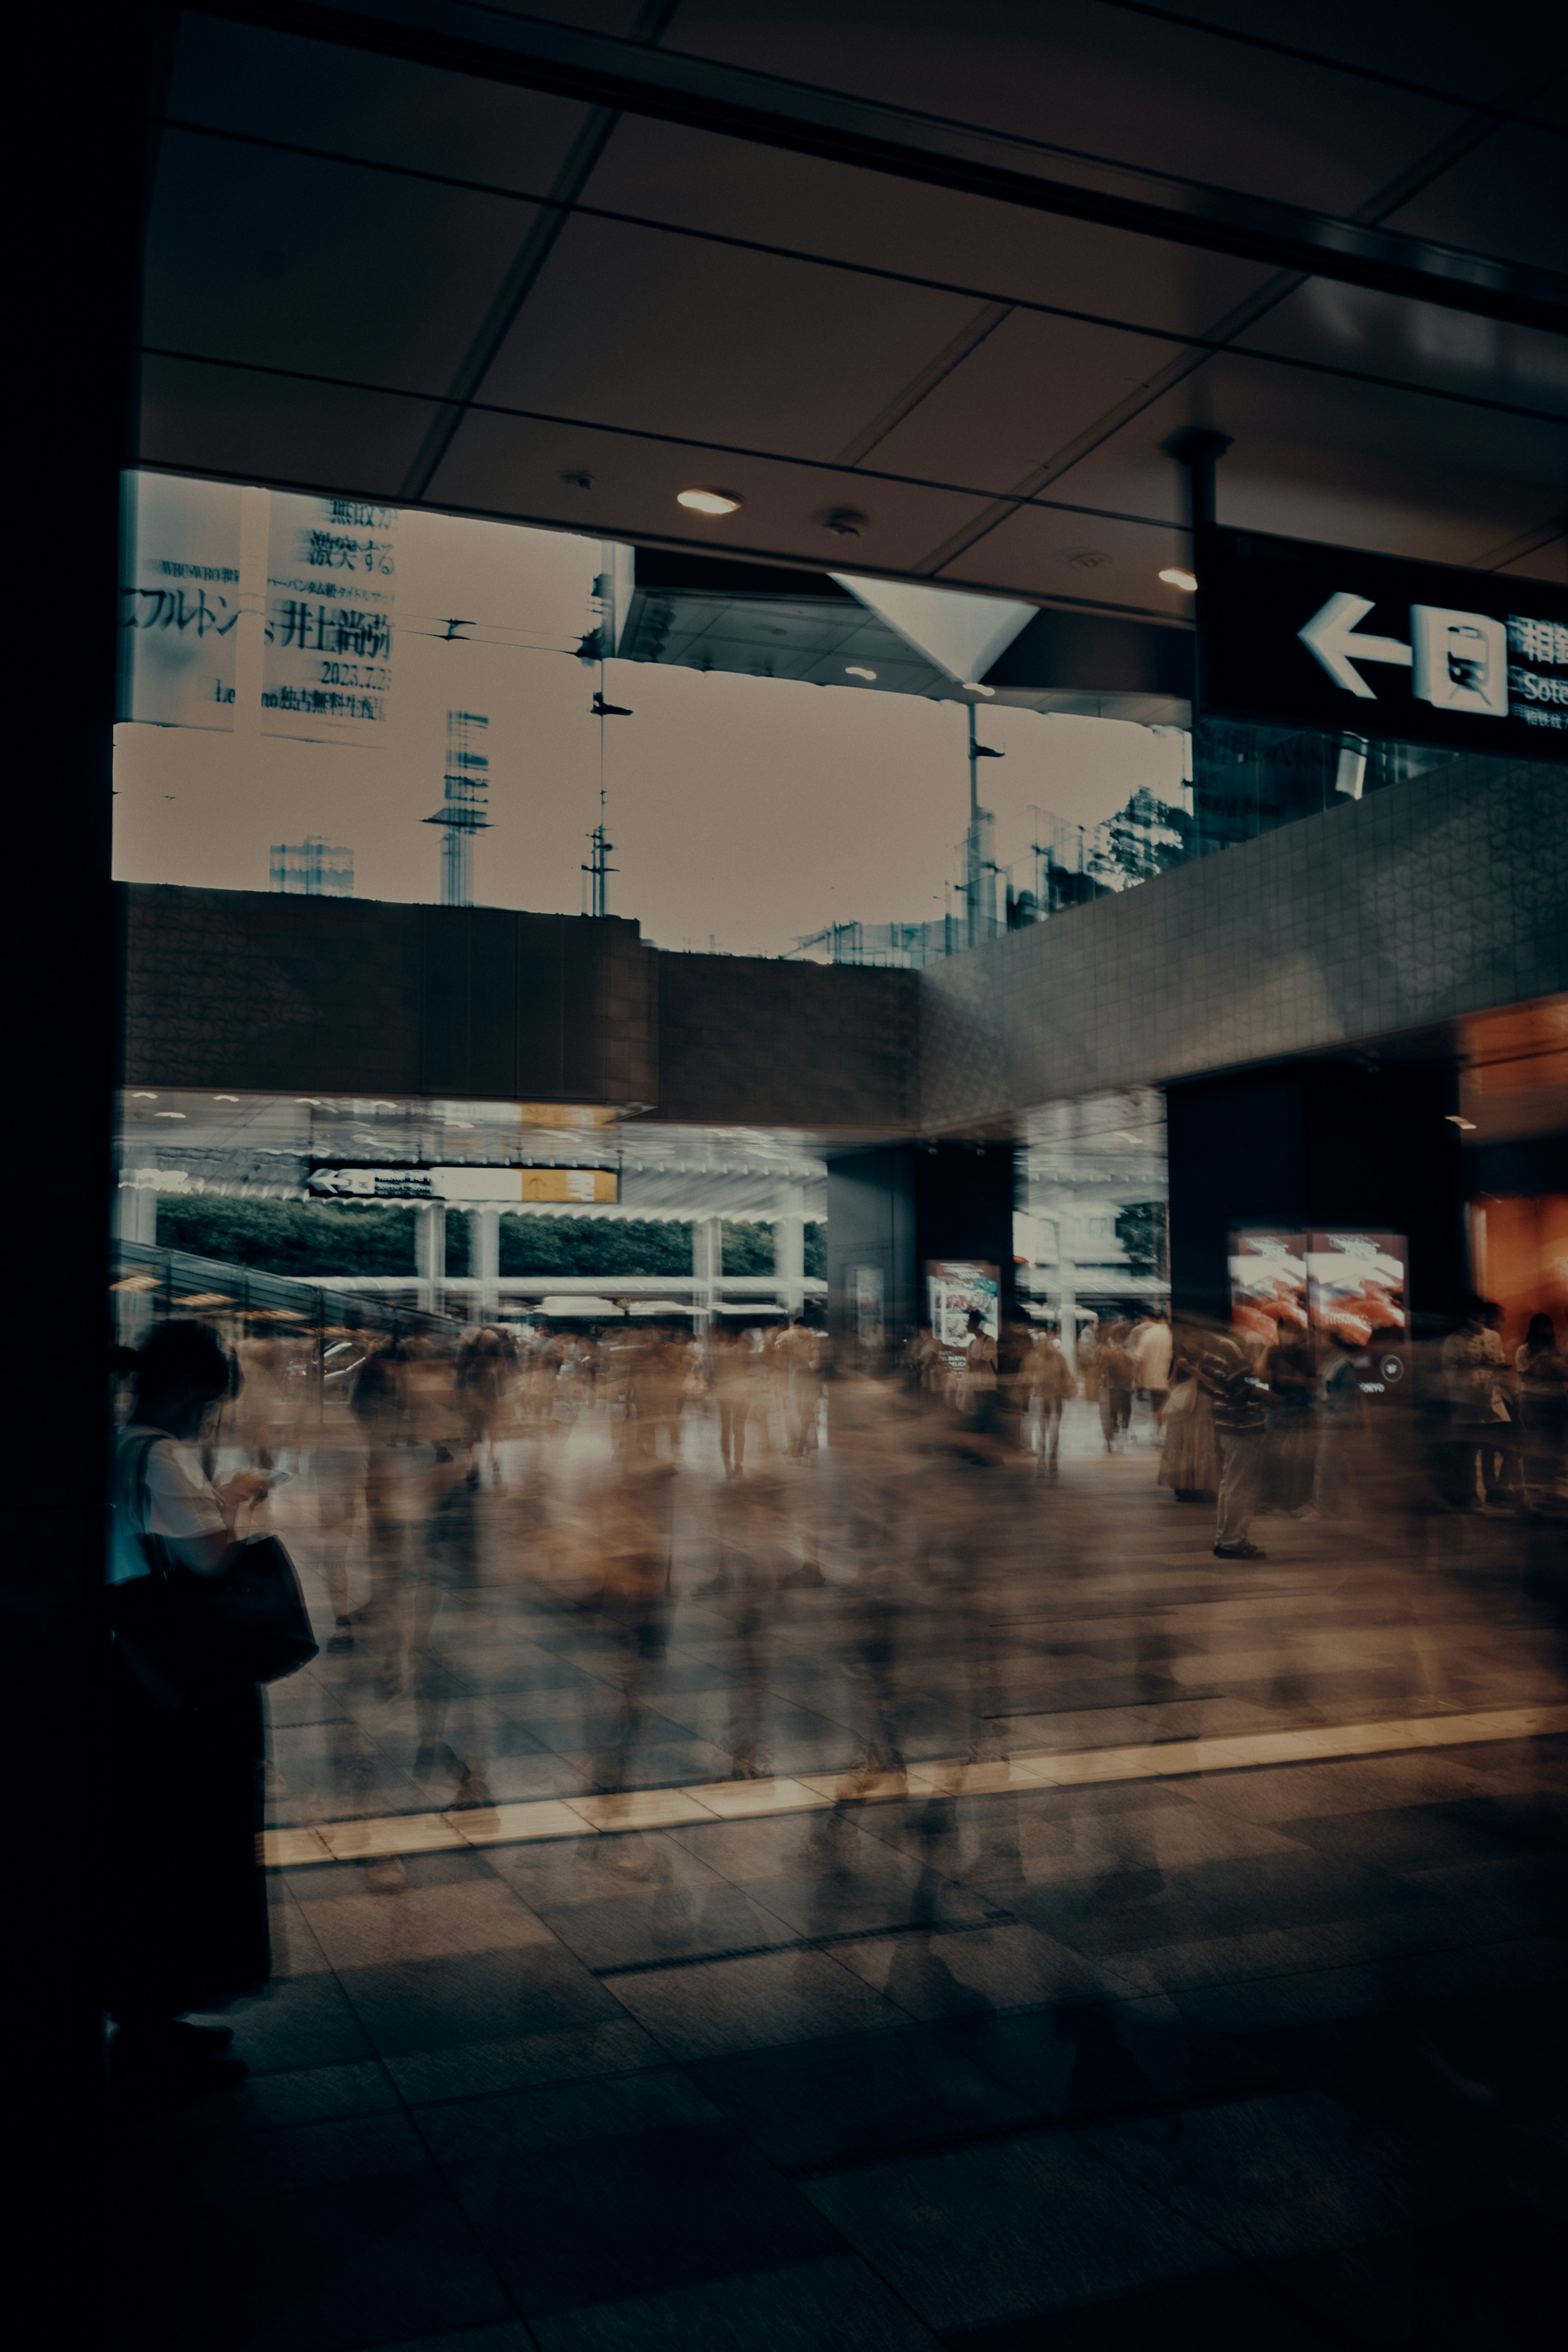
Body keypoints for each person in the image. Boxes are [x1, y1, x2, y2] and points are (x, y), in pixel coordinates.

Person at [107, 1322, 273, 2095]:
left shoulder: (115, 1446)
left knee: (149, 1846)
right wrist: (238, 1499)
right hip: (177, 1686)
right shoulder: (161, 1457)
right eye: (206, 1405)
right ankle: (152, 2036)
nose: (205, 1419)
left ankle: (154, 2018)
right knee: (185, 1844)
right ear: (180, 1392)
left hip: (132, 1676)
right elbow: (211, 1560)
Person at [1196, 1325, 1270, 1557]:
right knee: (1242, 1486)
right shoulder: (1232, 1350)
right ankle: (1233, 1541)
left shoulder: (1210, 1351)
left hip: (1227, 1425)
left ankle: (1225, 1538)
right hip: (1242, 1426)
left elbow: (1209, 1387)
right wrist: (1269, 1390)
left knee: (1230, 1484)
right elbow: (1242, 1390)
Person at [1263, 1321, 1319, 1514]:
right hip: (1279, 1407)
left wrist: (1291, 1379)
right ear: (1279, 1331)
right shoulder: (1273, 1352)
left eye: (1294, 1332)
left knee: (1299, 1458)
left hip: (1298, 1408)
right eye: (1287, 1331)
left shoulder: (1305, 1355)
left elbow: (1310, 1382)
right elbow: (1266, 1377)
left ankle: (1295, 1501)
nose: (1290, 1335)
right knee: (1271, 1455)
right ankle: (1272, 1499)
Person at [1515, 1313, 1568, 1508]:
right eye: (1540, 1327)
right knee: (1533, 1448)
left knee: (1556, 1448)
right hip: (1533, 1401)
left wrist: (1551, 1366)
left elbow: (1564, 1374)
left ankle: (1553, 1492)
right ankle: (1535, 1494)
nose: (1544, 1331)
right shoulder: (1524, 1350)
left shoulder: (1556, 1350)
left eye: (1547, 1327)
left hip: (1556, 1401)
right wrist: (1542, 1362)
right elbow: (1526, 1375)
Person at [1158, 1344, 1218, 1501]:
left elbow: (1212, 1383)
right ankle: (1182, 1486)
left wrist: (1191, 1369)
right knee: (1181, 1446)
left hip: (1201, 1408)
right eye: (1187, 1337)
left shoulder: (1208, 1359)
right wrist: (1178, 1368)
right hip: (1181, 1409)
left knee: (1199, 1446)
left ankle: (1198, 1486)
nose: (1190, 1341)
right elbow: (1171, 1384)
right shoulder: (1178, 1359)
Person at [1025, 1325, 1077, 1479]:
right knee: (1043, 1428)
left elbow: (1066, 1375)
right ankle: (1043, 1456)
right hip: (1043, 1398)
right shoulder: (1035, 1358)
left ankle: (1052, 1456)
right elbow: (1028, 1376)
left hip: (1057, 1397)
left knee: (1054, 1429)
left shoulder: (1058, 1357)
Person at [1094, 1321, 1134, 1453]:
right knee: (1116, 1407)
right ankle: (1114, 1431)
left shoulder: (1123, 1347)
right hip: (1115, 1383)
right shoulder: (1108, 1348)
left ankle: (1118, 1427)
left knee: (1118, 1406)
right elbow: (1101, 1366)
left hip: (1119, 1383)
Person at [1129, 1311, 1172, 1430]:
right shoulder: (1171, 1334)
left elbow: (1139, 1359)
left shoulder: (1148, 1335)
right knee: (1166, 1408)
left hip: (1152, 1380)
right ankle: (1163, 1433)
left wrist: (1137, 1378)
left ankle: (1160, 1433)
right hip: (1168, 1379)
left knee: (1158, 1408)